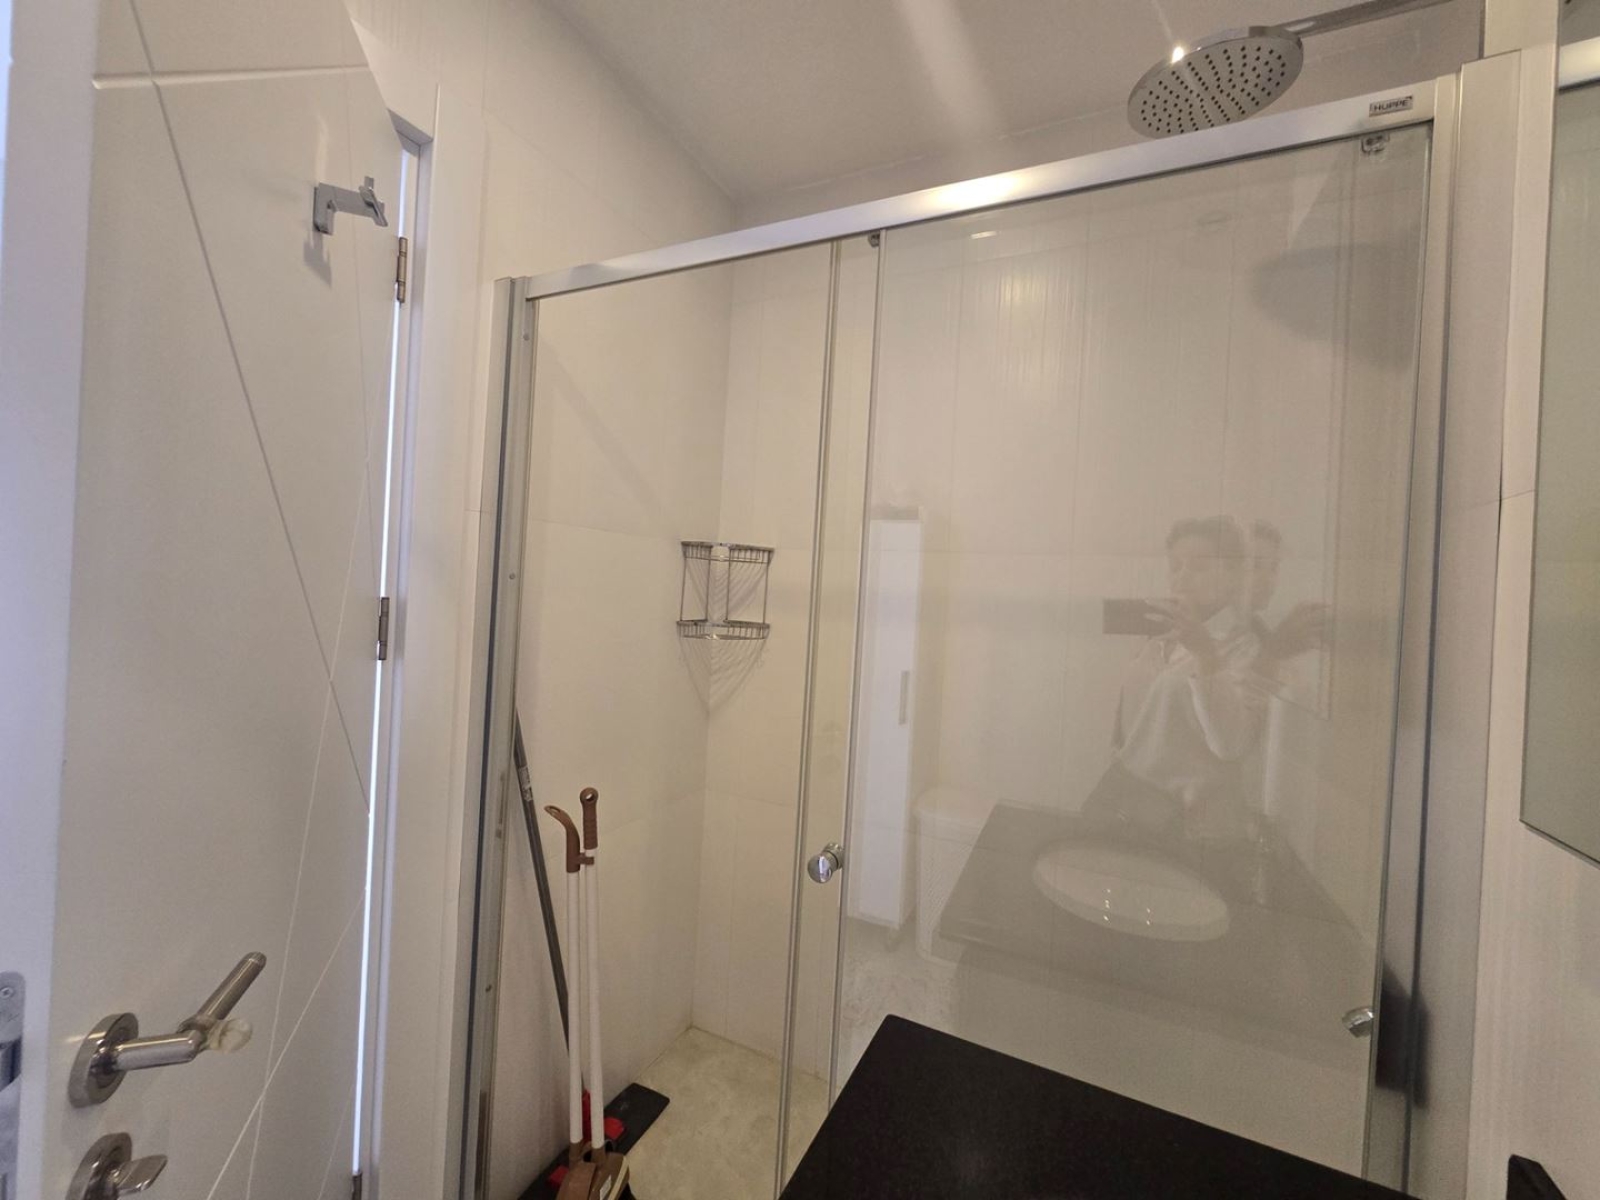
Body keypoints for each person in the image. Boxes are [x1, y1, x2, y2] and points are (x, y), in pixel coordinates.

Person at [1084, 516, 1265, 841]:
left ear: (1234, 576)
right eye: (1175, 566)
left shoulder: (1247, 648)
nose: (1181, 578)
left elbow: (1231, 745)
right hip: (1125, 804)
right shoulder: (1159, 639)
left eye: (1198, 567)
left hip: (1190, 828)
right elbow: (1130, 726)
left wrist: (1205, 655)